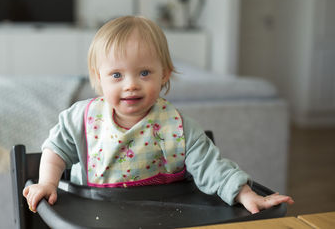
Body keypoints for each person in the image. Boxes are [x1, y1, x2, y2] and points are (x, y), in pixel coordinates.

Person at [23, 15, 294, 214]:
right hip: (95, 214)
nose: (131, 84)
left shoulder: (178, 126)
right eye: (116, 75)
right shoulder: (81, 118)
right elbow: (56, 149)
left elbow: (213, 167)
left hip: (162, 215)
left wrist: (245, 194)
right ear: (98, 78)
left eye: (144, 73)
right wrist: (48, 183)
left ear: (164, 73)